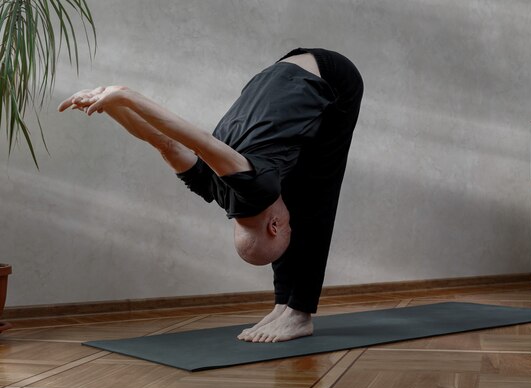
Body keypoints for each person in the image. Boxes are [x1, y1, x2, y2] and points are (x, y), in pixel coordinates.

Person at [59, 48, 364, 343]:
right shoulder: (209, 185)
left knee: (315, 200)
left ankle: (297, 312)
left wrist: (126, 95)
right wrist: (111, 106)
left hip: (333, 76)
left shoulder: (256, 186)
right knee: (298, 190)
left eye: (286, 228)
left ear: (273, 226)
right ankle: (284, 306)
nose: (289, 224)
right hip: (284, 73)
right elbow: (164, 144)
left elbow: (199, 140)